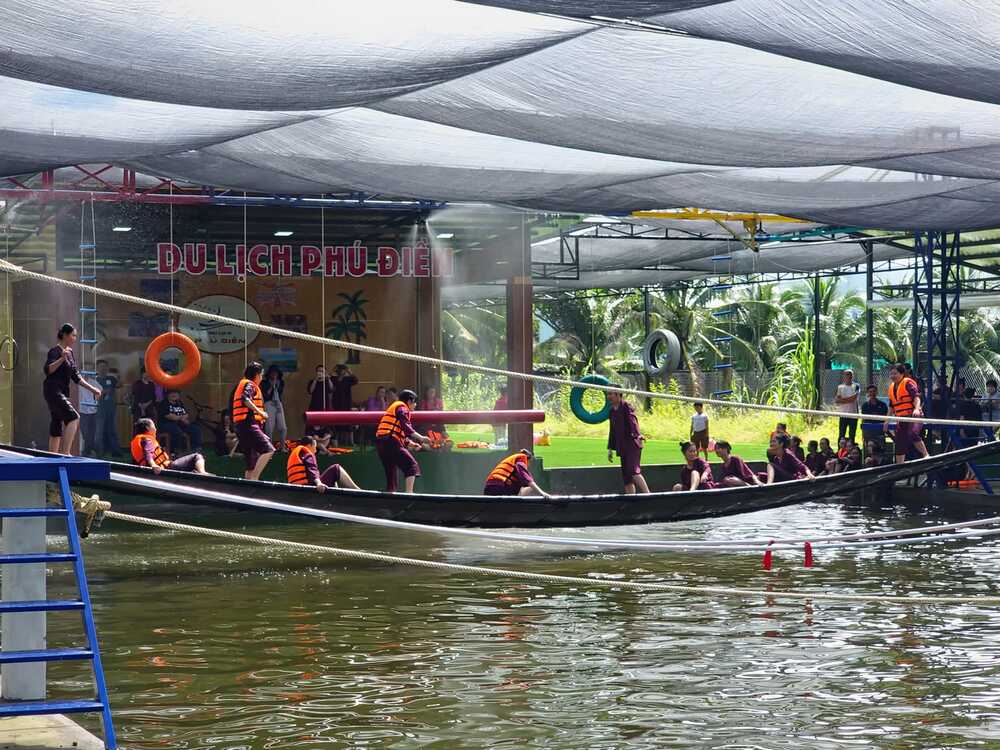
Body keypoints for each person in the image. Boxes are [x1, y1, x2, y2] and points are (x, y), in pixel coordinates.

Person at [43, 323, 102, 455]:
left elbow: (76, 376)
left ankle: (52, 456)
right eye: (73, 335)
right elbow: (48, 370)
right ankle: (66, 453)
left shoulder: (70, 353)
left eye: (75, 336)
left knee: (57, 422)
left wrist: (93, 389)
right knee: (74, 417)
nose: (75, 338)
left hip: (62, 391)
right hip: (52, 390)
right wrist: (61, 358)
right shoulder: (54, 351)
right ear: (65, 335)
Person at [375, 389, 431, 493]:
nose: (415, 405)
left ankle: (390, 493)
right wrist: (421, 438)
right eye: (414, 402)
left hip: (381, 443)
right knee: (411, 466)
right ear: (409, 401)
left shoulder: (394, 407)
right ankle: (409, 494)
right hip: (390, 442)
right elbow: (405, 427)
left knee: (391, 471)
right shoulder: (402, 407)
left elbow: (396, 431)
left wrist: (411, 444)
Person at [231, 361, 275, 480]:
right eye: (261, 375)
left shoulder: (243, 384)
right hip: (247, 423)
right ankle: (255, 479)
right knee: (269, 450)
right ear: (256, 375)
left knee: (251, 462)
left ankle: (248, 484)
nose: (261, 378)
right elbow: (245, 399)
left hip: (241, 425)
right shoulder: (249, 385)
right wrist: (260, 412)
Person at [607, 386, 650, 494]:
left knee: (633, 471)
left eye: (611, 394)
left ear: (618, 394)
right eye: (608, 394)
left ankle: (648, 494)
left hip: (632, 444)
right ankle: (631, 498)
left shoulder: (626, 406)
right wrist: (610, 449)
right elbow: (612, 431)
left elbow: (633, 421)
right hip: (622, 447)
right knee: (627, 476)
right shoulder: (611, 411)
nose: (608, 397)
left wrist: (638, 435)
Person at [130, 418, 206, 474]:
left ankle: (195, 473)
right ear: (148, 428)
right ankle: (202, 474)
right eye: (153, 426)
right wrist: (153, 465)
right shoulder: (147, 439)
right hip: (166, 467)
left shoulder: (137, 440)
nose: (155, 429)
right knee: (196, 456)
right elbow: (147, 452)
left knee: (187, 464)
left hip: (161, 466)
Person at [887, 362, 928, 464]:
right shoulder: (891, 387)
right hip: (901, 418)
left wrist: (917, 409)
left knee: (912, 433)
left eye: (895, 373)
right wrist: (886, 421)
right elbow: (891, 406)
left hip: (914, 416)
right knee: (899, 441)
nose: (893, 376)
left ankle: (926, 455)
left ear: (902, 374)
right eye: (891, 374)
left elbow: (916, 397)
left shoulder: (908, 383)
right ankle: (900, 465)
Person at [286, 435, 360, 492]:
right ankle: (359, 491)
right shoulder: (308, 454)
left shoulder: (297, 455)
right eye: (315, 446)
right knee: (336, 468)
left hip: (299, 491)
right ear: (310, 445)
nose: (315, 450)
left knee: (332, 477)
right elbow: (312, 470)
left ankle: (335, 496)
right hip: (310, 489)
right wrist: (319, 483)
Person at [483, 449, 549, 497]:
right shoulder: (522, 457)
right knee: (530, 486)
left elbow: (522, 487)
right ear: (528, 459)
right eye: (529, 463)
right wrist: (542, 493)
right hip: (500, 487)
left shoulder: (512, 463)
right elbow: (526, 477)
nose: (528, 465)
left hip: (489, 488)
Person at [158, 389, 203, 455]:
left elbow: (186, 414)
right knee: (176, 431)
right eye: (171, 393)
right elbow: (169, 416)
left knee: (196, 429)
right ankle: (174, 451)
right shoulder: (164, 403)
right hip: (166, 424)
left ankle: (196, 449)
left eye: (176, 393)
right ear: (167, 395)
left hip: (180, 424)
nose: (174, 395)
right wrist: (181, 418)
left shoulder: (179, 403)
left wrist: (181, 418)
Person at [94, 360, 121, 456]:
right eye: (101, 367)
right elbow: (93, 394)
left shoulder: (111, 378)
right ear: (97, 368)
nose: (103, 368)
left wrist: (118, 376)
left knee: (112, 430)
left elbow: (119, 385)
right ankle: (99, 452)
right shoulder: (95, 380)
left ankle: (115, 451)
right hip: (99, 409)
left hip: (111, 408)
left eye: (105, 367)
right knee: (99, 431)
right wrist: (103, 392)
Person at [262, 365, 288, 451]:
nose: (274, 375)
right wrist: (271, 386)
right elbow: (266, 395)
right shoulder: (264, 382)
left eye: (276, 373)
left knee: (283, 427)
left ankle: (282, 447)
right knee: (269, 427)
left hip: (278, 403)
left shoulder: (281, 382)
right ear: (269, 374)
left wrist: (276, 385)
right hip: (269, 403)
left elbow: (280, 392)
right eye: (272, 373)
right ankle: (269, 448)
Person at [860, 385, 888, 456]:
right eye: (870, 392)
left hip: (880, 432)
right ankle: (870, 458)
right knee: (870, 445)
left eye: (874, 391)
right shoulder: (865, 406)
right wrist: (863, 434)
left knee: (880, 449)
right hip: (869, 433)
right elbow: (863, 420)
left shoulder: (883, 405)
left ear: (877, 392)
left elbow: (886, 419)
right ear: (868, 393)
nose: (872, 393)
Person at [420, 385, 451, 450]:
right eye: (430, 392)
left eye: (433, 392)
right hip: (427, 423)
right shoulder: (424, 402)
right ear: (426, 393)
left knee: (445, 436)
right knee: (425, 435)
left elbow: (442, 412)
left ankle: (444, 443)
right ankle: (432, 445)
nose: (432, 394)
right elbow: (422, 414)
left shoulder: (439, 401)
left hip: (438, 422)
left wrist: (435, 411)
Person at [834, 369, 860, 443]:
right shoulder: (840, 387)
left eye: (850, 374)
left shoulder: (856, 386)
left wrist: (842, 400)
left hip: (853, 414)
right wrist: (847, 400)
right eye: (847, 374)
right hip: (843, 414)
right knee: (841, 434)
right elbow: (837, 400)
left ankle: (851, 448)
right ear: (844, 376)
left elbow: (854, 398)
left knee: (852, 434)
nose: (849, 376)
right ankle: (840, 449)